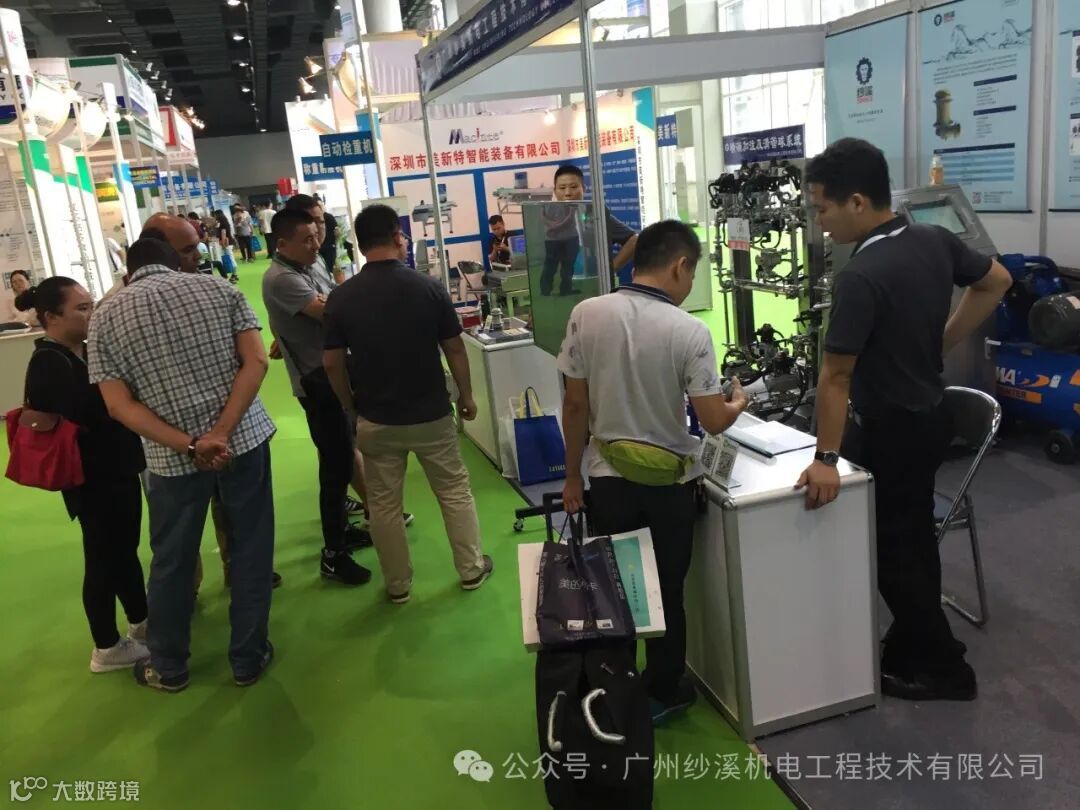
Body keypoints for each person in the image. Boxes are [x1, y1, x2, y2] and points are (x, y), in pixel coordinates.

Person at [794, 138, 1012, 702]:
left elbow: (836, 377)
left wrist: (825, 460)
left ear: (858, 202)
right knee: (912, 540)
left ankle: (944, 669)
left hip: (893, 428)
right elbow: (996, 281)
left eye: (822, 208)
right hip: (929, 419)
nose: (819, 222)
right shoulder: (933, 239)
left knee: (893, 550)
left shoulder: (860, 276)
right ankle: (918, 637)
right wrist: (941, 342)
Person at [558, 220, 748, 724]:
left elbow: (574, 406)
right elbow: (712, 420)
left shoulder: (586, 313)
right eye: (693, 274)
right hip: (669, 486)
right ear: (680, 266)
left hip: (606, 477)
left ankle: (613, 684)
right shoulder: (689, 330)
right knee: (665, 591)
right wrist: (738, 402)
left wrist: (573, 476)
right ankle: (664, 690)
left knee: (614, 585)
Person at [88, 235, 277, 693]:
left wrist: (192, 445)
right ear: (175, 262)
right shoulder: (220, 289)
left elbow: (118, 405)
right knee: (251, 549)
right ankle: (248, 658)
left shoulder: (104, 317)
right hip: (243, 442)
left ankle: (169, 667)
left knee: (172, 562)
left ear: (128, 271)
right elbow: (255, 362)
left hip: (171, 461)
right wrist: (221, 433)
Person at [324, 204, 493, 604]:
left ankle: (398, 585)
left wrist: (350, 405)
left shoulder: (341, 298)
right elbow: (454, 348)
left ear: (360, 245)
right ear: (398, 237)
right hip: (431, 413)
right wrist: (466, 396)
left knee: (383, 505)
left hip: (376, 417)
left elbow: (331, 362)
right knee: (453, 491)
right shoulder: (428, 287)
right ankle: (471, 569)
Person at [139, 215, 281, 591]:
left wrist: (216, 434)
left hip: (225, 435)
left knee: (231, 517)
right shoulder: (118, 305)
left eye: (197, 247)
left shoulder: (213, 289)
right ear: (160, 250)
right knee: (176, 538)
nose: (197, 256)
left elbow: (251, 361)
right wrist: (196, 441)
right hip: (169, 448)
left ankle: (235, 568)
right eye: (187, 250)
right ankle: (189, 587)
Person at [18, 276, 149, 674]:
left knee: (122, 549)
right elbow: (89, 414)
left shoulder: (82, 352)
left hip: (115, 469)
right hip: (91, 477)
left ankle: (141, 620)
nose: (91, 313)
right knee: (103, 557)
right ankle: (106, 646)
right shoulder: (49, 362)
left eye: (90, 305)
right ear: (51, 317)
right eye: (81, 308)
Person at [262, 208, 374, 586]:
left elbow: (331, 302)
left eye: (317, 234)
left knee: (342, 457)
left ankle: (342, 532)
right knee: (335, 467)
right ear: (283, 243)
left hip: (332, 373)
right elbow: (329, 312)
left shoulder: (310, 265)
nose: (316, 243)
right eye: (307, 238)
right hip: (316, 382)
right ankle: (333, 555)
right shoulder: (281, 279)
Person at [540, 164, 638, 296]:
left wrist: (611, 268)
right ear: (555, 190)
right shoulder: (550, 210)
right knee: (550, 267)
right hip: (558, 270)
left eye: (573, 187)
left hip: (596, 287)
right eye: (562, 188)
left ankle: (566, 288)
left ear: (583, 188)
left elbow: (634, 240)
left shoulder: (596, 213)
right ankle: (547, 291)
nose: (568, 193)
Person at [212, 210, 238, 283]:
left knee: (230, 259)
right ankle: (234, 274)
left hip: (226, 243)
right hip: (229, 242)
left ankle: (234, 274)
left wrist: (223, 245)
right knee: (231, 258)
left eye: (215, 215)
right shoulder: (225, 223)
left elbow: (223, 234)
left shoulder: (222, 224)